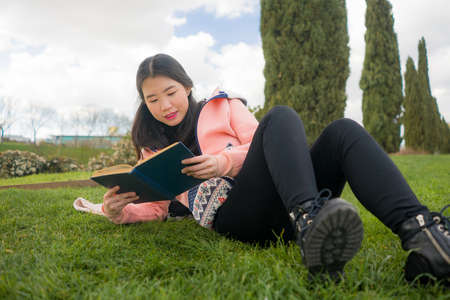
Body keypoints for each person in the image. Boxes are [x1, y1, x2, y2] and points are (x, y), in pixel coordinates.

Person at [102, 53, 449, 283]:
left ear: (188, 86)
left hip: (289, 198)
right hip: (236, 215)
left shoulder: (224, 107)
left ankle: (425, 236)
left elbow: (264, 144)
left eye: (170, 92)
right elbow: (156, 207)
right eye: (152, 99)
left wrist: (223, 162)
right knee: (283, 116)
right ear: (144, 104)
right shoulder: (152, 148)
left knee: (338, 130)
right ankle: (312, 229)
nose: (165, 105)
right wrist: (121, 212)